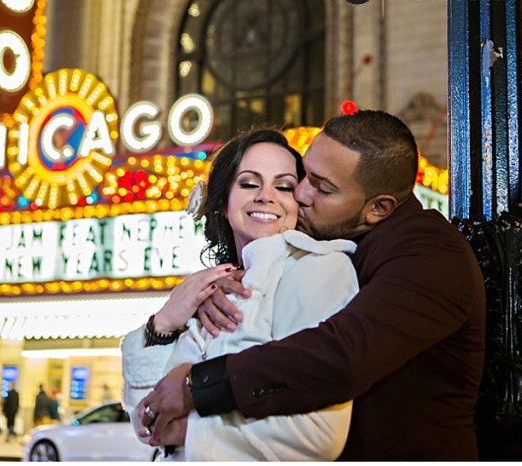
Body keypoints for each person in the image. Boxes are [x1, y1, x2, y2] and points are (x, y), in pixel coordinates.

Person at [138, 110, 486, 461]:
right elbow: (148, 410)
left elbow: (342, 354)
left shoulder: (431, 251)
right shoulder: (318, 241)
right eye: (304, 174)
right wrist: (205, 296)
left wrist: (199, 386)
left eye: (323, 187)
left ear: (378, 208)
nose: (301, 193)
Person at [121, 128, 360, 460]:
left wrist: (192, 429)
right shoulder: (210, 293)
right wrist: (163, 323)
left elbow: (320, 433)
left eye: (284, 186)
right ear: (222, 201)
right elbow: (147, 422)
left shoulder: (321, 268)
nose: (266, 196)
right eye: (249, 183)